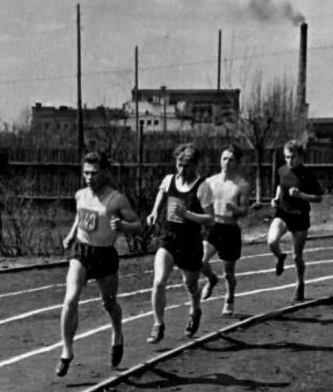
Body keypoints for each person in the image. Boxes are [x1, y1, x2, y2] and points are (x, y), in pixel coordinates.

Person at [56, 151, 142, 377]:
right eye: (85, 173)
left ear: (105, 172)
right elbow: (79, 216)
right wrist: (71, 235)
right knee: (70, 299)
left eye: (94, 173)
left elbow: (137, 224)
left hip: (105, 254)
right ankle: (66, 351)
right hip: (82, 252)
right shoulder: (80, 195)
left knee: (109, 304)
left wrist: (123, 226)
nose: (89, 177)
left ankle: (117, 334)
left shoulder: (116, 199)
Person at [144, 143, 215, 343]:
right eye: (179, 164)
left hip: (190, 243)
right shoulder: (169, 180)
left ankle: (196, 309)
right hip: (168, 239)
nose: (182, 170)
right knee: (158, 281)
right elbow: (161, 192)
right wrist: (155, 211)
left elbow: (210, 218)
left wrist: (188, 214)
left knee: (190, 285)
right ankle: (158, 324)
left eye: (187, 166)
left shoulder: (202, 187)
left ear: (196, 166)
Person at [267, 139, 323, 303]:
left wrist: (301, 195)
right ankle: (279, 257)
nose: (289, 160)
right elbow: (280, 186)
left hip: (300, 216)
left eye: (292, 157)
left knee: (297, 256)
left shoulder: (307, 175)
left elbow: (318, 198)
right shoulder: (282, 170)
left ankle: (300, 284)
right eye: (287, 157)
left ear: (300, 157)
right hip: (283, 213)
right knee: (271, 241)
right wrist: (275, 199)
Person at [200, 145, 252, 317]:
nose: (227, 162)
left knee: (229, 272)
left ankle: (229, 298)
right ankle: (211, 279)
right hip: (213, 227)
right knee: (200, 260)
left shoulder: (242, 185)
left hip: (230, 229)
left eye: (231, 159)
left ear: (237, 162)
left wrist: (235, 209)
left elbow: (244, 211)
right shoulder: (210, 182)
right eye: (224, 158)